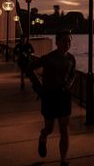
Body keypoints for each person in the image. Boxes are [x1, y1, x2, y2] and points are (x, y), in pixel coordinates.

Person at [28, 31, 76, 166]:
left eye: (69, 41)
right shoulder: (48, 58)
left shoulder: (71, 58)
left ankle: (63, 159)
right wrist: (38, 87)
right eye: (64, 41)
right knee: (49, 128)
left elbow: (73, 74)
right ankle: (43, 137)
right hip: (49, 96)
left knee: (64, 128)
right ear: (57, 42)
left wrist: (68, 85)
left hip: (64, 97)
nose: (67, 44)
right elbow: (30, 69)